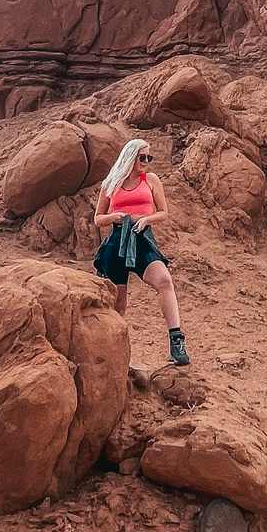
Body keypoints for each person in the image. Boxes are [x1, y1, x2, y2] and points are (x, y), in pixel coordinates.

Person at [93, 137, 190, 366]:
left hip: (143, 237)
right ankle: (112, 349)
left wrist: (146, 219)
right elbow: (98, 218)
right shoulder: (111, 183)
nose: (146, 161)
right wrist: (115, 217)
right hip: (117, 239)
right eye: (142, 157)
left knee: (164, 281)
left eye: (149, 157)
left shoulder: (152, 180)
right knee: (119, 301)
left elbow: (163, 212)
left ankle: (176, 341)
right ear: (130, 157)